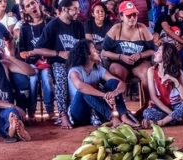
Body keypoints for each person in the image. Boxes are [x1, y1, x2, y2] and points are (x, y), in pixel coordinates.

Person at [34, 0, 85, 128]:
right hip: (59, 63)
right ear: (64, 9)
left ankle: (86, 113)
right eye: (74, 9)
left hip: (76, 64)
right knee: (61, 75)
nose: (78, 12)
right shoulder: (52, 26)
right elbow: (38, 49)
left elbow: (84, 46)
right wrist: (59, 53)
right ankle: (62, 114)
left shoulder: (78, 25)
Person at [67, 40, 137, 126]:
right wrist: (104, 95)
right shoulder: (75, 70)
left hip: (97, 110)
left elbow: (121, 83)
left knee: (113, 82)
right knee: (84, 90)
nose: (97, 51)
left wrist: (115, 92)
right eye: (93, 48)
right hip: (79, 114)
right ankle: (113, 118)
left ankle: (123, 115)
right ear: (87, 54)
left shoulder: (98, 69)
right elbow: (80, 86)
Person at [101, 1, 156, 105]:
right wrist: (120, 57)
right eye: (129, 15)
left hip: (139, 63)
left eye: (134, 15)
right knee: (117, 71)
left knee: (146, 71)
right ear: (121, 17)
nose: (132, 18)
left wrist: (140, 55)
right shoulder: (116, 29)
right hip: (120, 63)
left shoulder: (142, 28)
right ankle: (119, 108)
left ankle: (147, 106)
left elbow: (153, 50)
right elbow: (104, 52)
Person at [15, 0, 54, 120]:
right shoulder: (25, 28)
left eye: (33, 3)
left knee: (47, 78)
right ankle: (31, 112)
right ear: (25, 10)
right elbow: (21, 51)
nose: (32, 6)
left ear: (38, 4)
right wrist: (30, 55)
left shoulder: (50, 22)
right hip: (31, 63)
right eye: (28, 6)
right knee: (33, 80)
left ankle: (50, 110)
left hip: (49, 62)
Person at [144, 44, 183, 126]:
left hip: (178, 106)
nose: (155, 53)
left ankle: (163, 122)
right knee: (147, 113)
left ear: (167, 55)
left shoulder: (179, 72)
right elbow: (153, 97)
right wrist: (173, 114)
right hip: (164, 108)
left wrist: (175, 82)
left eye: (159, 51)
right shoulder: (151, 71)